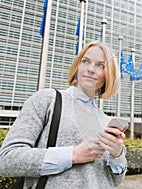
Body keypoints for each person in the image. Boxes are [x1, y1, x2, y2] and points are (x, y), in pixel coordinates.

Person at [0, 40, 127, 188]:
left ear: (109, 74)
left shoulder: (106, 120)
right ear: (77, 66)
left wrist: (117, 155)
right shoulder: (48, 99)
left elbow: (115, 180)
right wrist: (72, 155)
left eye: (100, 65)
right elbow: (6, 159)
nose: (91, 69)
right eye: (85, 61)